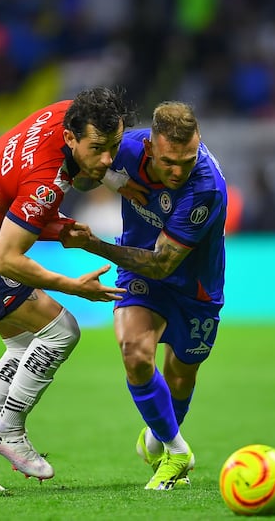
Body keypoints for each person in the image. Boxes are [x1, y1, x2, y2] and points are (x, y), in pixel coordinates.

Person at [0, 87, 137, 492]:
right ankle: (8, 430)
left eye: (113, 146)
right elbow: (5, 260)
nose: (108, 159)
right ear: (72, 138)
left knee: (24, 347)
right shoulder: (47, 180)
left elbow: (16, 192)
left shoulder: (66, 114)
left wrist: (59, 223)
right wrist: (74, 287)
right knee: (61, 331)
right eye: (98, 148)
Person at [61, 101, 227, 490]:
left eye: (187, 160)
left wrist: (94, 245)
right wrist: (113, 179)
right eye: (170, 161)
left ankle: (156, 439)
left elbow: (162, 263)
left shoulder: (204, 187)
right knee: (134, 353)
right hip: (140, 276)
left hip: (193, 286)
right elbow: (81, 174)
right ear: (150, 147)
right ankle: (177, 449)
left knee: (181, 377)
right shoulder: (126, 149)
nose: (178, 171)